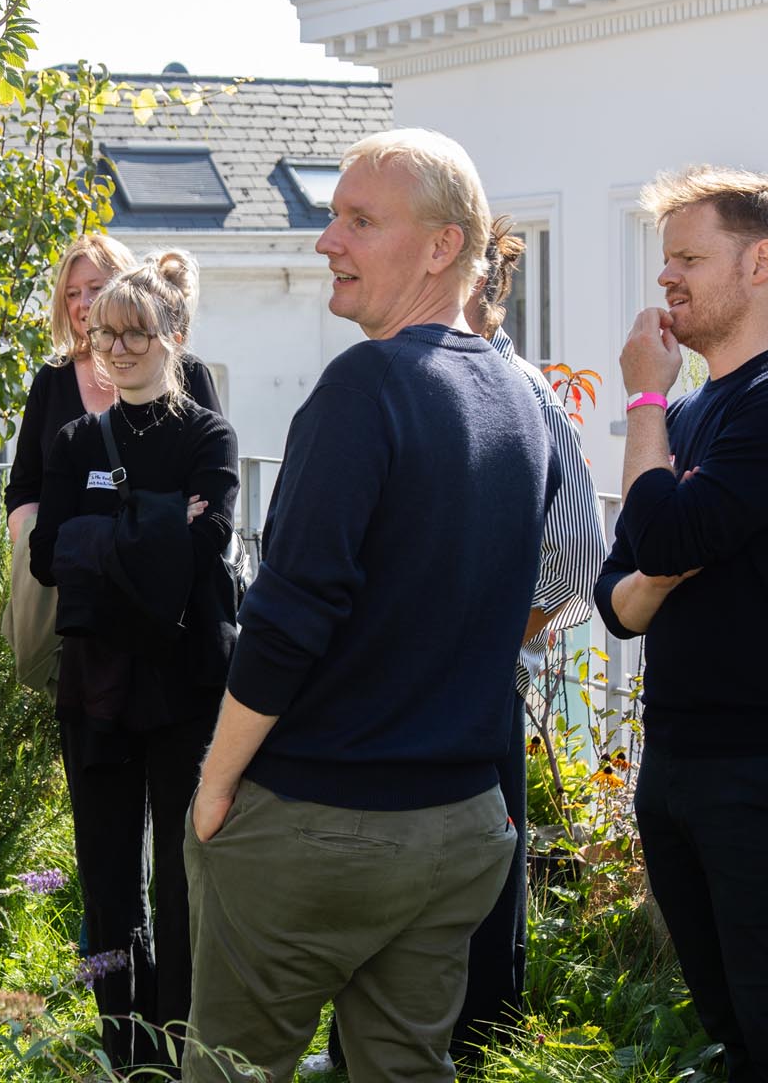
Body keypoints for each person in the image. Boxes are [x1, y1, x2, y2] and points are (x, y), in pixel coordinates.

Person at [184, 129, 549, 1083]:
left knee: (231, 1071)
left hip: (321, 825)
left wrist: (215, 787)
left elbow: (291, 611)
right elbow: (535, 595)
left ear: (442, 248)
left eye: (359, 220)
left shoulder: (367, 386)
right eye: (330, 215)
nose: (326, 243)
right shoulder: (520, 396)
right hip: (464, 826)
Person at [593, 166, 768, 1081]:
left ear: (759, 263)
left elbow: (661, 531)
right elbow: (617, 593)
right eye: (662, 258)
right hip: (679, 761)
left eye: (687, 257)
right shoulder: (690, 413)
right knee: (733, 1032)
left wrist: (640, 404)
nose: (665, 279)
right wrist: (665, 562)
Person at [321, 222, 607, 1070]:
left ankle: (473, 1054)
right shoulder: (395, 378)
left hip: (476, 704)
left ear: (482, 281)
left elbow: (576, 561)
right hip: (387, 695)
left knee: (476, 899)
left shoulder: (523, 392)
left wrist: (482, 642)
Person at [28, 251, 240, 1072]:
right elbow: (49, 556)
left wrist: (106, 531)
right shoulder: (78, 434)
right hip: (97, 686)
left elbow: (208, 545)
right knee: (107, 884)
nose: (114, 348)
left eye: (134, 334)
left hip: (185, 684)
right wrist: (154, 525)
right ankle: (123, 1050)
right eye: (102, 331)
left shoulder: (207, 434)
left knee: (181, 883)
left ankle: (176, 1045)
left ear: (174, 336)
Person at [5, 233, 221, 550]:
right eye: (72, 294)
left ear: (127, 287)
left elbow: (209, 502)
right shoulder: (52, 380)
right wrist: (36, 544)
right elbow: (24, 489)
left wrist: (80, 534)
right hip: (66, 579)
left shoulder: (186, 373)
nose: (84, 303)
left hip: (165, 573)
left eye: (96, 288)